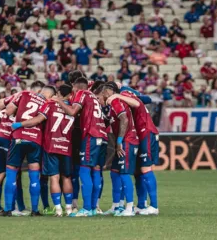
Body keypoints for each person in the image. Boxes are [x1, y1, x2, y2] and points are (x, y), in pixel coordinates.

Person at [13, 84, 75, 216]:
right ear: (70, 95)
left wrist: (20, 124)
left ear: (57, 93)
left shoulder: (50, 105)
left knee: (54, 177)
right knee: (66, 178)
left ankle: (58, 209)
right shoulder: (73, 108)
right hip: (66, 146)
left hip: (51, 145)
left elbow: (38, 119)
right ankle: (69, 209)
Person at [52, 77, 107, 217]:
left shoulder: (82, 93)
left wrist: (58, 101)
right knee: (95, 170)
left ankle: (87, 209)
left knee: (84, 170)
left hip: (91, 134)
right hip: (102, 135)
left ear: (75, 88)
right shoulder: (93, 96)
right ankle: (94, 207)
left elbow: (72, 112)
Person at [2, 84, 56, 216]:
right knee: (34, 176)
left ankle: (8, 209)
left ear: (40, 91)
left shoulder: (24, 94)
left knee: (11, 173)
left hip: (19, 138)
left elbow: (8, 111)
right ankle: (35, 210)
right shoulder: (48, 103)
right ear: (51, 95)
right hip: (35, 141)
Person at [106, 88, 159, 216]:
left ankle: (154, 206)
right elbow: (146, 99)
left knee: (146, 169)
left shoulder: (124, 94)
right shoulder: (128, 97)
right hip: (139, 135)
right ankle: (141, 205)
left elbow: (137, 103)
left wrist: (118, 94)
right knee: (138, 172)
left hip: (146, 131)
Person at [100, 82, 139, 217]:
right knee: (115, 173)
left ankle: (130, 207)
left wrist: (119, 141)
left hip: (127, 141)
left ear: (108, 91)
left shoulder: (116, 101)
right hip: (124, 141)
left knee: (124, 174)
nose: (103, 94)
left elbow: (124, 119)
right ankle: (117, 206)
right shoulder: (113, 103)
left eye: (103, 91)